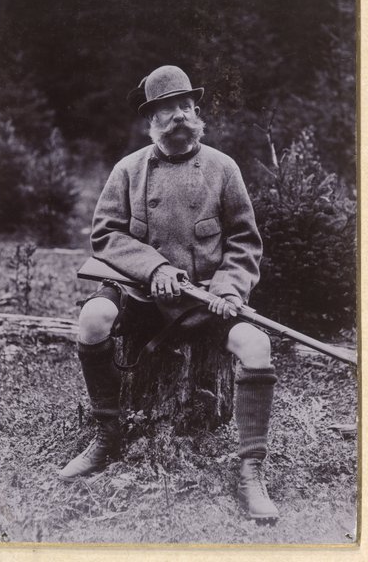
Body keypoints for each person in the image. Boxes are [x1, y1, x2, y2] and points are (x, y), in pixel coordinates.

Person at [58, 65, 279, 522]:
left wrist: (227, 289)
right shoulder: (128, 170)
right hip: (141, 296)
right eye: (168, 108)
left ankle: (251, 470)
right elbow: (106, 235)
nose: (179, 116)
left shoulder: (223, 168)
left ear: (196, 112)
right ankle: (107, 434)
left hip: (205, 301)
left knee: (257, 346)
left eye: (186, 106)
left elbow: (244, 241)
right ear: (151, 118)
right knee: (92, 319)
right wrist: (154, 267)